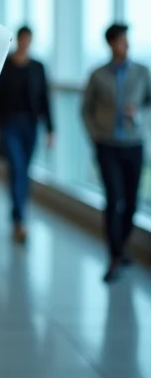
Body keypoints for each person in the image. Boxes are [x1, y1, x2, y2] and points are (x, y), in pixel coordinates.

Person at [82, 23, 151, 283]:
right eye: (122, 40)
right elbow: (85, 109)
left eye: (127, 40)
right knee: (113, 199)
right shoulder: (98, 75)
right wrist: (95, 137)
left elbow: (149, 102)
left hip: (134, 144)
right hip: (107, 145)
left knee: (132, 202)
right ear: (111, 44)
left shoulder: (143, 72)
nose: (127, 45)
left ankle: (120, 247)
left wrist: (139, 114)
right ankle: (114, 256)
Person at [0, 26, 55, 244]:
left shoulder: (38, 67)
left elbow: (45, 99)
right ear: (18, 41)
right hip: (9, 126)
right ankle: (19, 219)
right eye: (22, 40)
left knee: (24, 172)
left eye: (28, 40)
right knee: (17, 168)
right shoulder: (5, 67)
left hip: (30, 126)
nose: (25, 44)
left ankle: (19, 215)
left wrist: (51, 129)